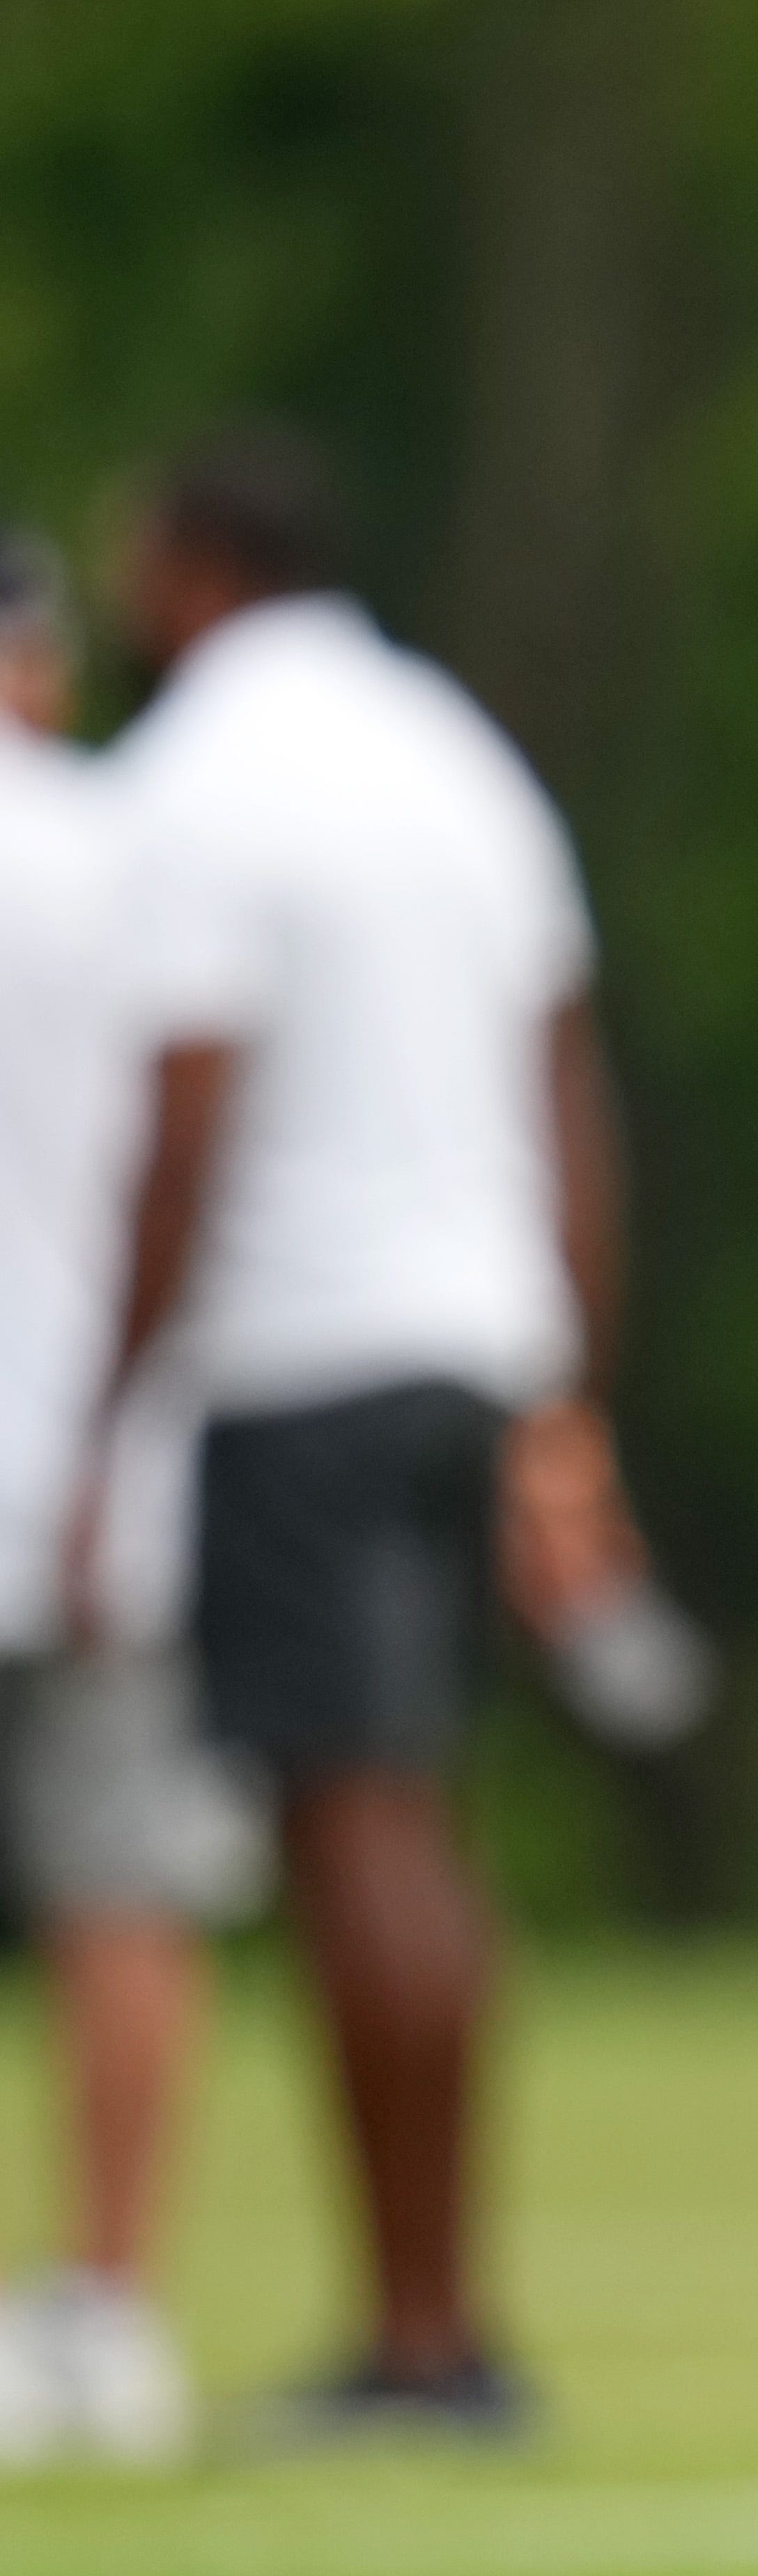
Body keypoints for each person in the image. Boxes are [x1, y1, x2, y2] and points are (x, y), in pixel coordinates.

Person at [80, 423, 642, 2444]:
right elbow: (566, 1083)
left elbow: (186, 1111)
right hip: (475, 1344)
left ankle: (425, 2333)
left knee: (358, 1824)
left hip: (302, 1349)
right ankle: (431, 2314)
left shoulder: (202, 784)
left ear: (184, 570)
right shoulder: (454, 756)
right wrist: (568, 1383)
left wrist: (104, 1378)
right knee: (410, 1815)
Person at [0, 526, 258, 2469]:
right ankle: (105, 2305)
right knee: (120, 1884)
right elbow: (198, 1144)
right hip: (98, 1440)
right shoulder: (118, 852)